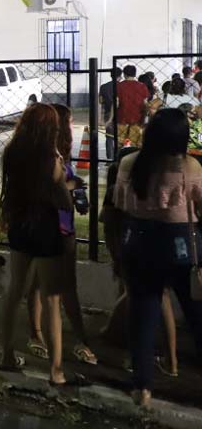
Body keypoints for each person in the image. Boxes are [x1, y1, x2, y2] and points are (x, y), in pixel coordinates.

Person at [115, 109, 202, 407]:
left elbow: (119, 205)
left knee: (143, 315)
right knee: (195, 314)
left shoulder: (128, 163)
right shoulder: (191, 166)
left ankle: (142, 388)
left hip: (138, 243)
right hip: (180, 244)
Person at [0, 103, 83, 387]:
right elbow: (62, 200)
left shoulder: (12, 152)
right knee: (52, 299)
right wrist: (69, 188)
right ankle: (55, 371)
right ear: (50, 127)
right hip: (47, 229)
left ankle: (7, 355)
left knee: (14, 292)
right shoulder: (52, 157)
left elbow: (10, 188)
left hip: (20, 225)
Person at [24, 104, 98, 366]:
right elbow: (41, 191)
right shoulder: (36, 154)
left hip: (63, 226)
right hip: (43, 226)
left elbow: (65, 184)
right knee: (37, 285)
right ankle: (36, 334)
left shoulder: (60, 153)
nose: (66, 127)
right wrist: (71, 185)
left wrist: (77, 193)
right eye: (62, 122)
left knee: (67, 287)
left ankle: (80, 339)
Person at [116, 65, 148, 147]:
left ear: (124, 74)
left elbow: (116, 103)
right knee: (134, 144)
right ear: (135, 74)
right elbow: (145, 104)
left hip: (122, 118)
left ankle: (120, 158)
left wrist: (111, 118)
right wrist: (144, 118)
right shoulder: (142, 86)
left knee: (120, 144)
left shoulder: (119, 86)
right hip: (137, 119)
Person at [98, 68, 122, 160]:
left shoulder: (103, 87)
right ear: (120, 76)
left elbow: (100, 101)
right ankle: (119, 158)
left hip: (108, 114)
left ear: (110, 75)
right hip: (120, 114)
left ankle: (109, 159)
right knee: (120, 137)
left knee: (109, 137)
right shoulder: (121, 86)